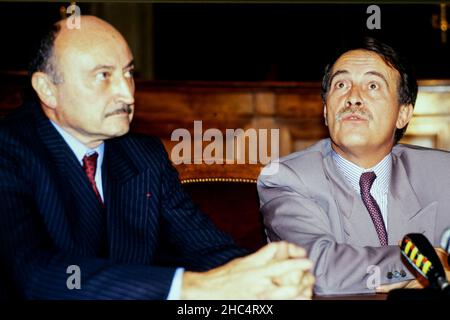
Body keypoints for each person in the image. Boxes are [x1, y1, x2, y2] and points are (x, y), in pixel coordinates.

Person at [0, 15, 314, 300]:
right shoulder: (9, 150)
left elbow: (207, 249)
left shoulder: (143, 156)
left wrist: (266, 275)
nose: (127, 93)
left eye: (128, 73)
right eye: (103, 75)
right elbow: (33, 273)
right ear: (47, 89)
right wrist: (191, 288)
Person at [258, 37, 450, 296]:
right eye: (341, 84)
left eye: (372, 85)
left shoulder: (443, 173)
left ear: (403, 114)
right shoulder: (286, 178)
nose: (353, 98)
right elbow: (320, 271)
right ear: (326, 111)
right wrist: (427, 266)